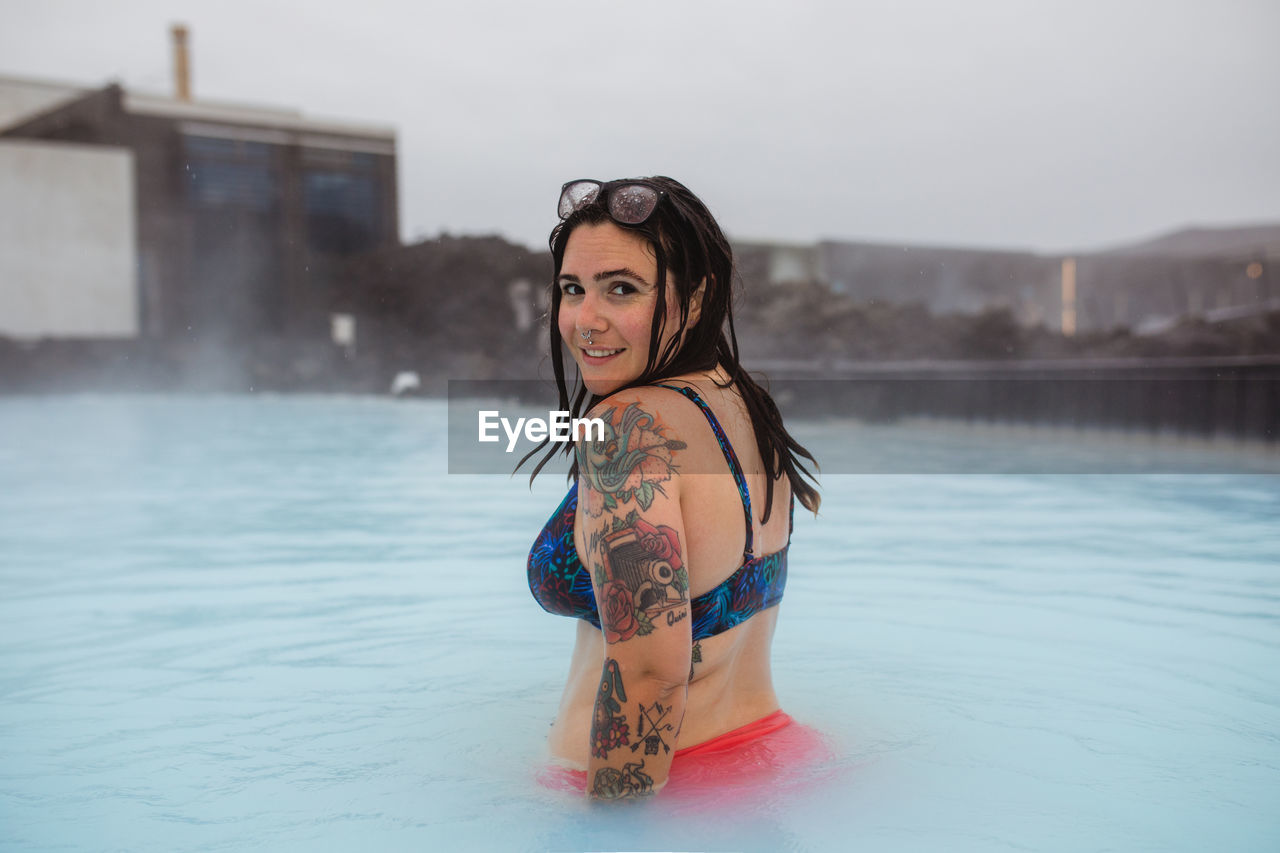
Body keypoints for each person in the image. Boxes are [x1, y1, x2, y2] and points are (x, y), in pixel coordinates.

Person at [524, 177, 821, 800]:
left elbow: (651, 674)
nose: (586, 321)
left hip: (664, 789)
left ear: (694, 297)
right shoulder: (741, 401)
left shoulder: (626, 428)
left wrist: (608, 835)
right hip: (766, 759)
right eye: (573, 290)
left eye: (622, 290)